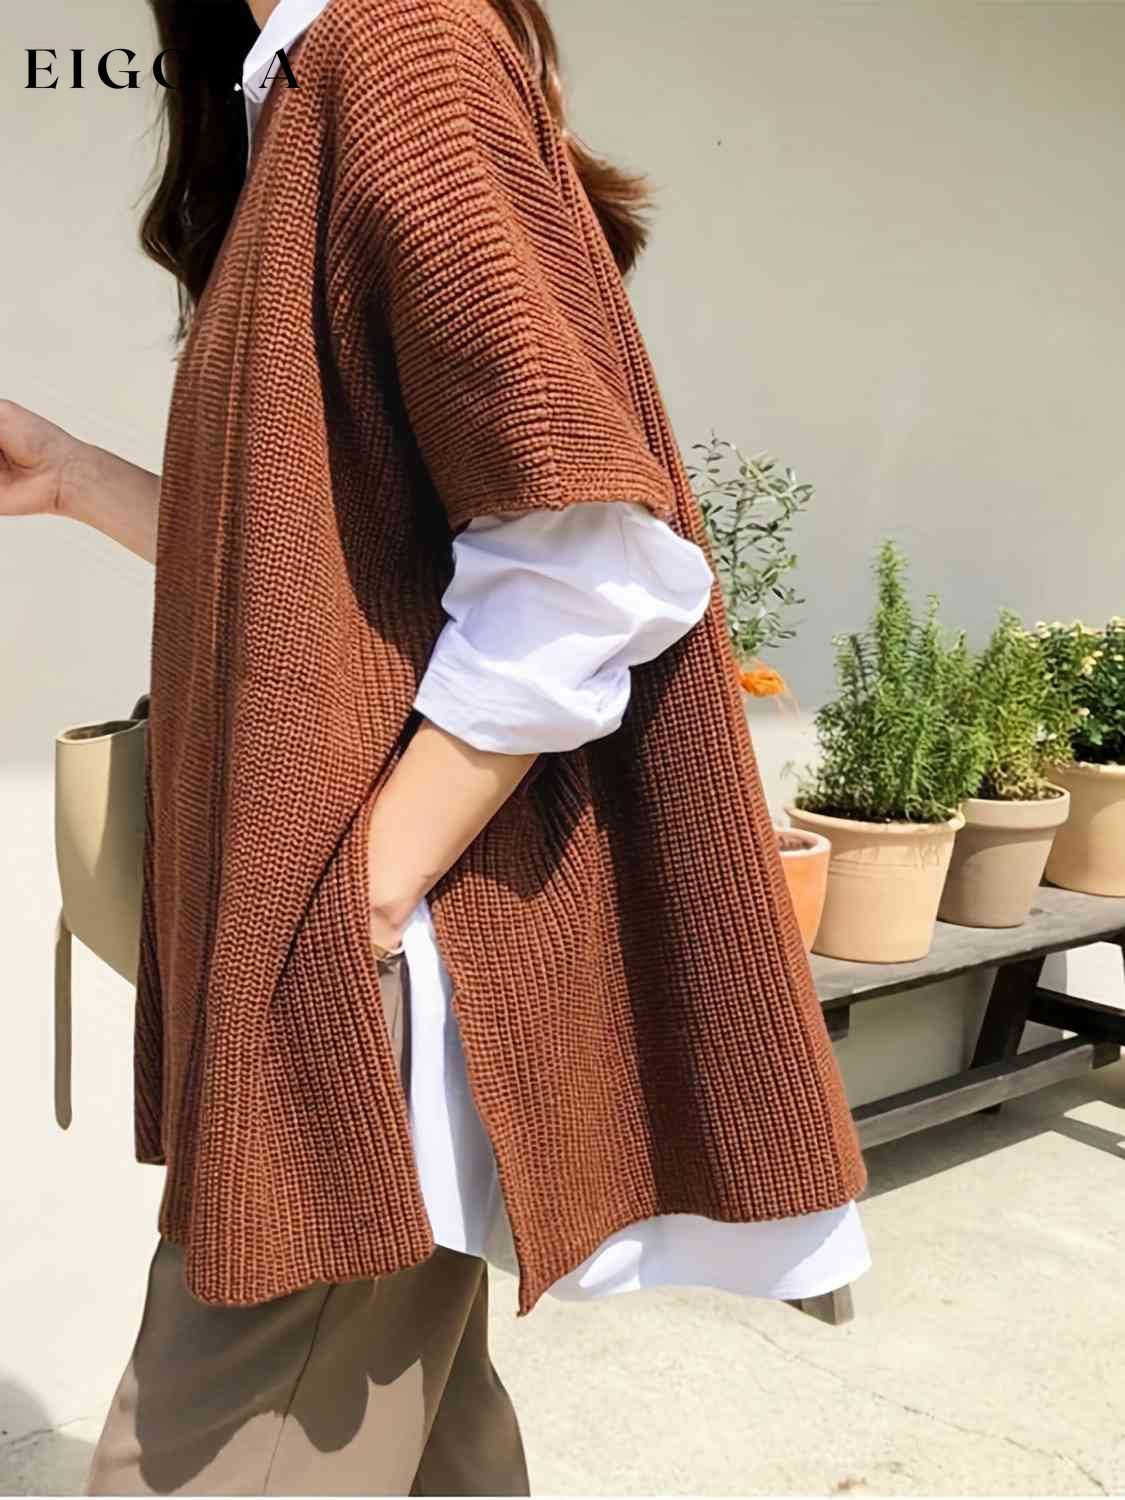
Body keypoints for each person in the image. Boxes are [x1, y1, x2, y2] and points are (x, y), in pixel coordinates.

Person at [0, 0, 872, 1491]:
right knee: (425, 1442)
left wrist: (360, 900)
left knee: (206, 1449)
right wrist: (77, 478)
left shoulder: (400, 53)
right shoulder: (302, 84)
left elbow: (590, 560)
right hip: (346, 959)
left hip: (350, 977)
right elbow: (323, 577)